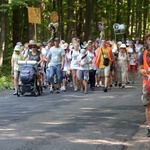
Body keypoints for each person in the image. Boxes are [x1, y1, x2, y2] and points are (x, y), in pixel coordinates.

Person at [138, 33, 150, 137]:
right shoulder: (143, 54)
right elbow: (140, 68)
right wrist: (143, 71)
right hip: (147, 83)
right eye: (149, 39)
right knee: (148, 106)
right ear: (146, 41)